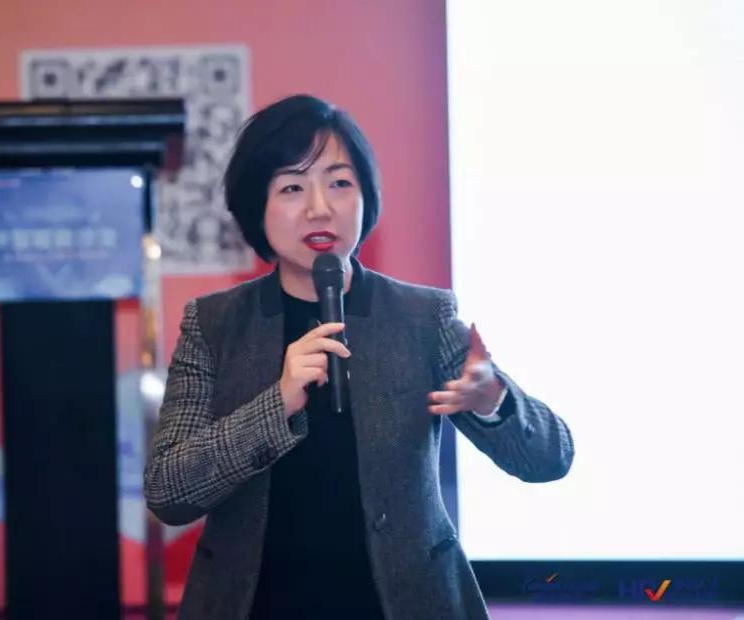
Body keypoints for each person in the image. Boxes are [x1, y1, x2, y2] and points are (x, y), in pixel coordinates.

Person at [144, 94, 574, 620]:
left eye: (339, 183)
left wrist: (492, 401)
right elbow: (169, 492)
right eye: (292, 187)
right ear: (257, 206)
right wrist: (276, 402)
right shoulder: (214, 325)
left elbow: (549, 459)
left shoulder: (422, 317)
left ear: (366, 197)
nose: (319, 207)